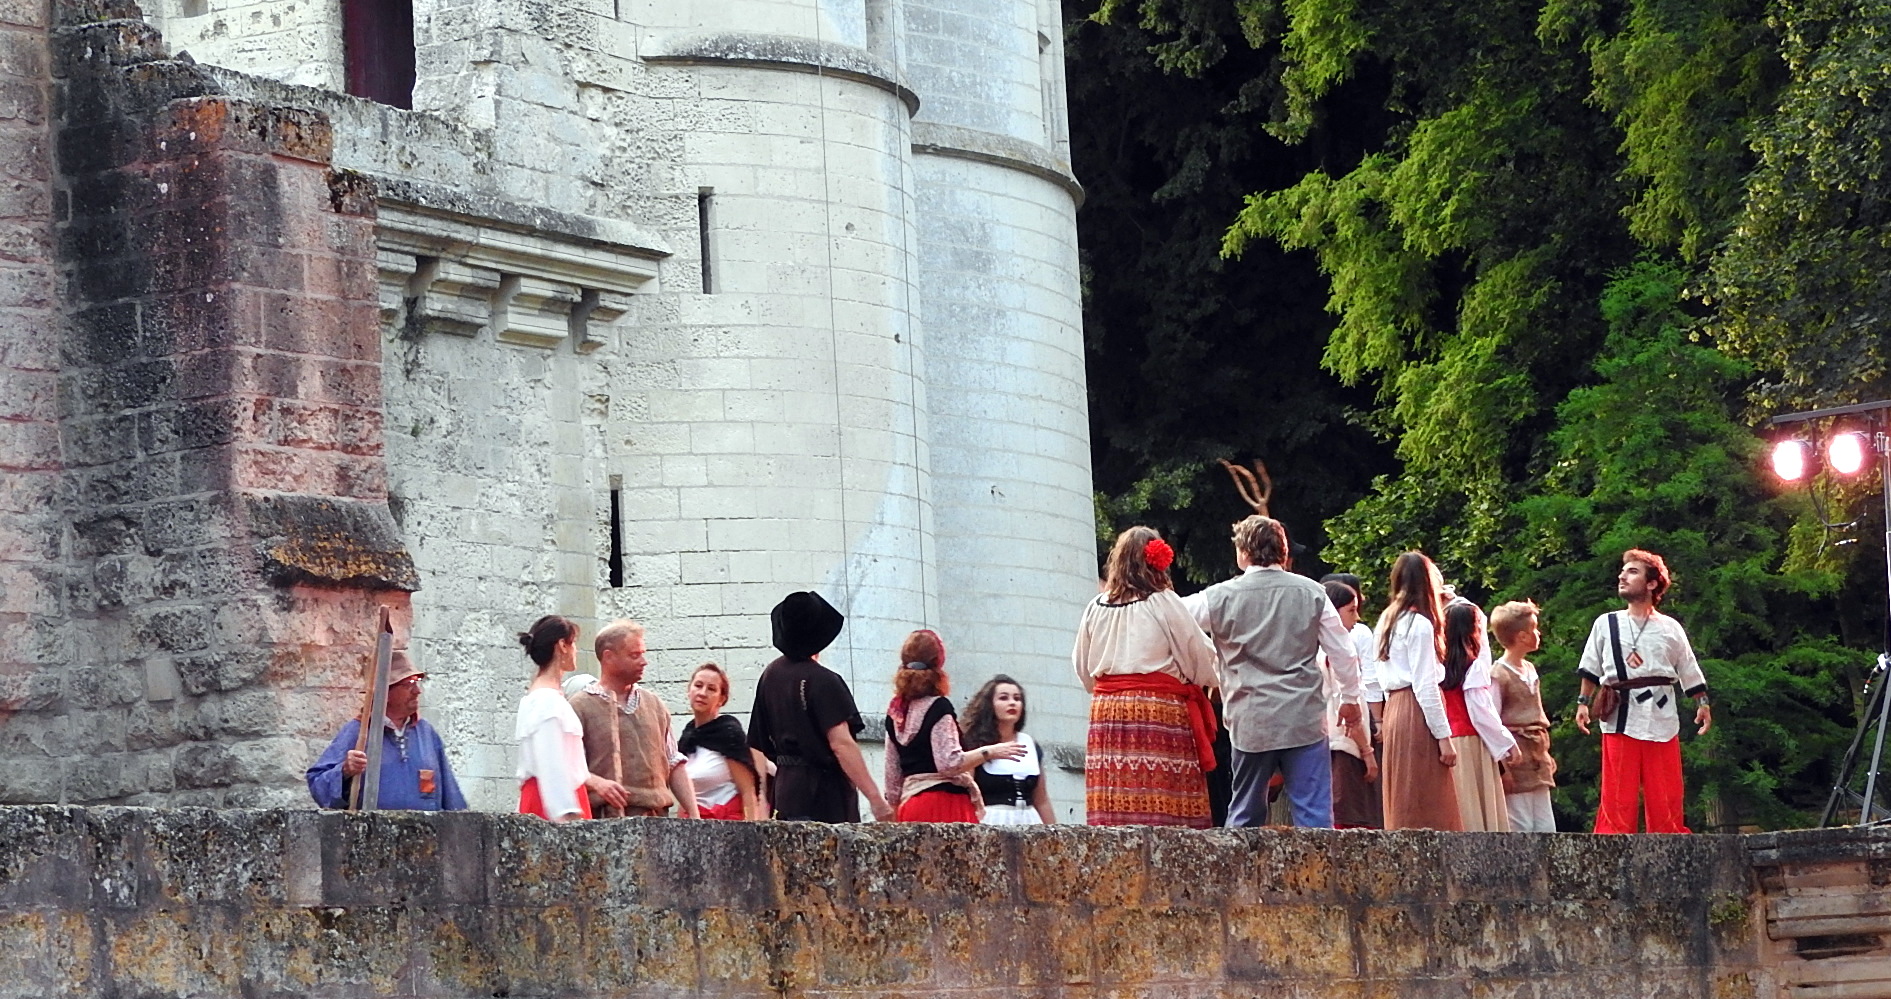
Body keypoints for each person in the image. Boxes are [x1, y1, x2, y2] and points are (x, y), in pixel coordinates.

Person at [1191, 516, 1363, 828]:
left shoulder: (1217, 597)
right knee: (1315, 817)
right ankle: (1319, 875)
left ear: (1242, 553)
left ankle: (1243, 875)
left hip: (1250, 718)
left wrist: (1206, 669)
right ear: (1283, 553)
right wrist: (1349, 698)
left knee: (1245, 814)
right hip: (1304, 719)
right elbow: (1343, 652)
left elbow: (1176, 622)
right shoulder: (1312, 593)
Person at [1072, 526, 1221, 827]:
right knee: (1163, 802)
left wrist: (1110, 691)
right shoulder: (1163, 602)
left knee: (1117, 796)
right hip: (1158, 710)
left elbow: (1081, 665)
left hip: (1107, 713)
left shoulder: (1095, 607)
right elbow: (1198, 654)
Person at [1574, 549, 1712, 834]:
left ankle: (1669, 840)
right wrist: (1583, 703)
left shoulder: (1670, 627)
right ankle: (1612, 844)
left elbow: (1688, 666)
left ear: (1652, 584)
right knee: (1618, 793)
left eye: (1632, 571)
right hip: (1620, 714)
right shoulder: (1606, 623)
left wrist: (1702, 703)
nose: (1622, 576)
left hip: (1661, 712)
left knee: (1666, 790)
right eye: (1623, 571)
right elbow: (1590, 666)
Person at [747, 590, 894, 822]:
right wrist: (875, 799)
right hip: (824, 795)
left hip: (786, 790)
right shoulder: (825, 681)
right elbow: (841, 744)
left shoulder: (770, 676)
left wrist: (763, 795)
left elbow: (758, 742)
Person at [882, 630, 1023, 822]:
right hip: (945, 805)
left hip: (910, 807)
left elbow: (892, 781)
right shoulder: (940, 707)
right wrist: (990, 752)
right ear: (938, 664)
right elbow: (949, 763)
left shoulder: (895, 713)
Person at [570, 620, 700, 819]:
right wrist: (598, 783)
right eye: (634, 655)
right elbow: (567, 767)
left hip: (657, 821)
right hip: (604, 824)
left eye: (643, 654)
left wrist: (694, 814)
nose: (644, 661)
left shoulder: (655, 705)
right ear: (608, 657)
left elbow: (674, 763)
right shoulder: (580, 707)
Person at [307, 650, 468, 811]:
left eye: (417, 682)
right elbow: (318, 783)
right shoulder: (358, 731)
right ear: (385, 693)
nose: (417, 691)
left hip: (426, 834)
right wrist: (344, 771)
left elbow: (451, 796)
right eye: (409, 684)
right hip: (375, 834)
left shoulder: (426, 733)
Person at [1375, 551, 1462, 830]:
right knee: (1427, 799)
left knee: (1402, 795)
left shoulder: (1386, 620)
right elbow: (1425, 686)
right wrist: (1444, 737)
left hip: (1394, 710)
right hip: (1416, 711)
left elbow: (1379, 675)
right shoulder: (1420, 625)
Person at [1438, 600, 1518, 831]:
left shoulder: (1438, 665)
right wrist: (1506, 743)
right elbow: (1481, 710)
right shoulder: (1472, 666)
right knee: (1477, 808)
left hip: (1446, 740)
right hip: (1472, 741)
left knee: (1459, 805)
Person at [1489, 600, 1558, 832]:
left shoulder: (1529, 669)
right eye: (1534, 629)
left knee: (1545, 825)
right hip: (1514, 756)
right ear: (1522, 637)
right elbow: (1493, 722)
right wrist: (1503, 767)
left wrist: (1545, 754)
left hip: (1536, 755)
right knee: (1520, 824)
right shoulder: (1499, 674)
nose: (1538, 634)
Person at [515, 615, 590, 821]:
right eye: (573, 643)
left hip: (557, 797)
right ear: (562, 646)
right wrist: (567, 814)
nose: (576, 650)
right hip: (553, 805)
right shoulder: (545, 701)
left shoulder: (543, 697)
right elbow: (551, 764)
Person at [1321, 581, 1381, 829]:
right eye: (1351, 610)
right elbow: (1346, 707)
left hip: (1327, 745)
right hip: (1345, 748)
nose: (1357, 618)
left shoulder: (1313, 648)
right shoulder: (1337, 654)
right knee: (1351, 825)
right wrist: (1367, 753)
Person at [962, 674, 1057, 825]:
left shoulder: (1030, 743)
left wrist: (1056, 835)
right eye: (1004, 698)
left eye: (1017, 699)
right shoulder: (974, 743)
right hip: (991, 821)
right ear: (989, 704)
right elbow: (966, 793)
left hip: (1030, 822)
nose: (1012, 703)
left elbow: (1042, 799)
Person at [679, 662, 764, 819]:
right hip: (693, 826)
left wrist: (751, 835)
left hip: (728, 824)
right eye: (698, 685)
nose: (702, 693)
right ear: (689, 691)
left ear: (722, 699)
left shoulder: (728, 734)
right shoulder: (687, 738)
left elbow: (747, 791)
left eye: (711, 689)